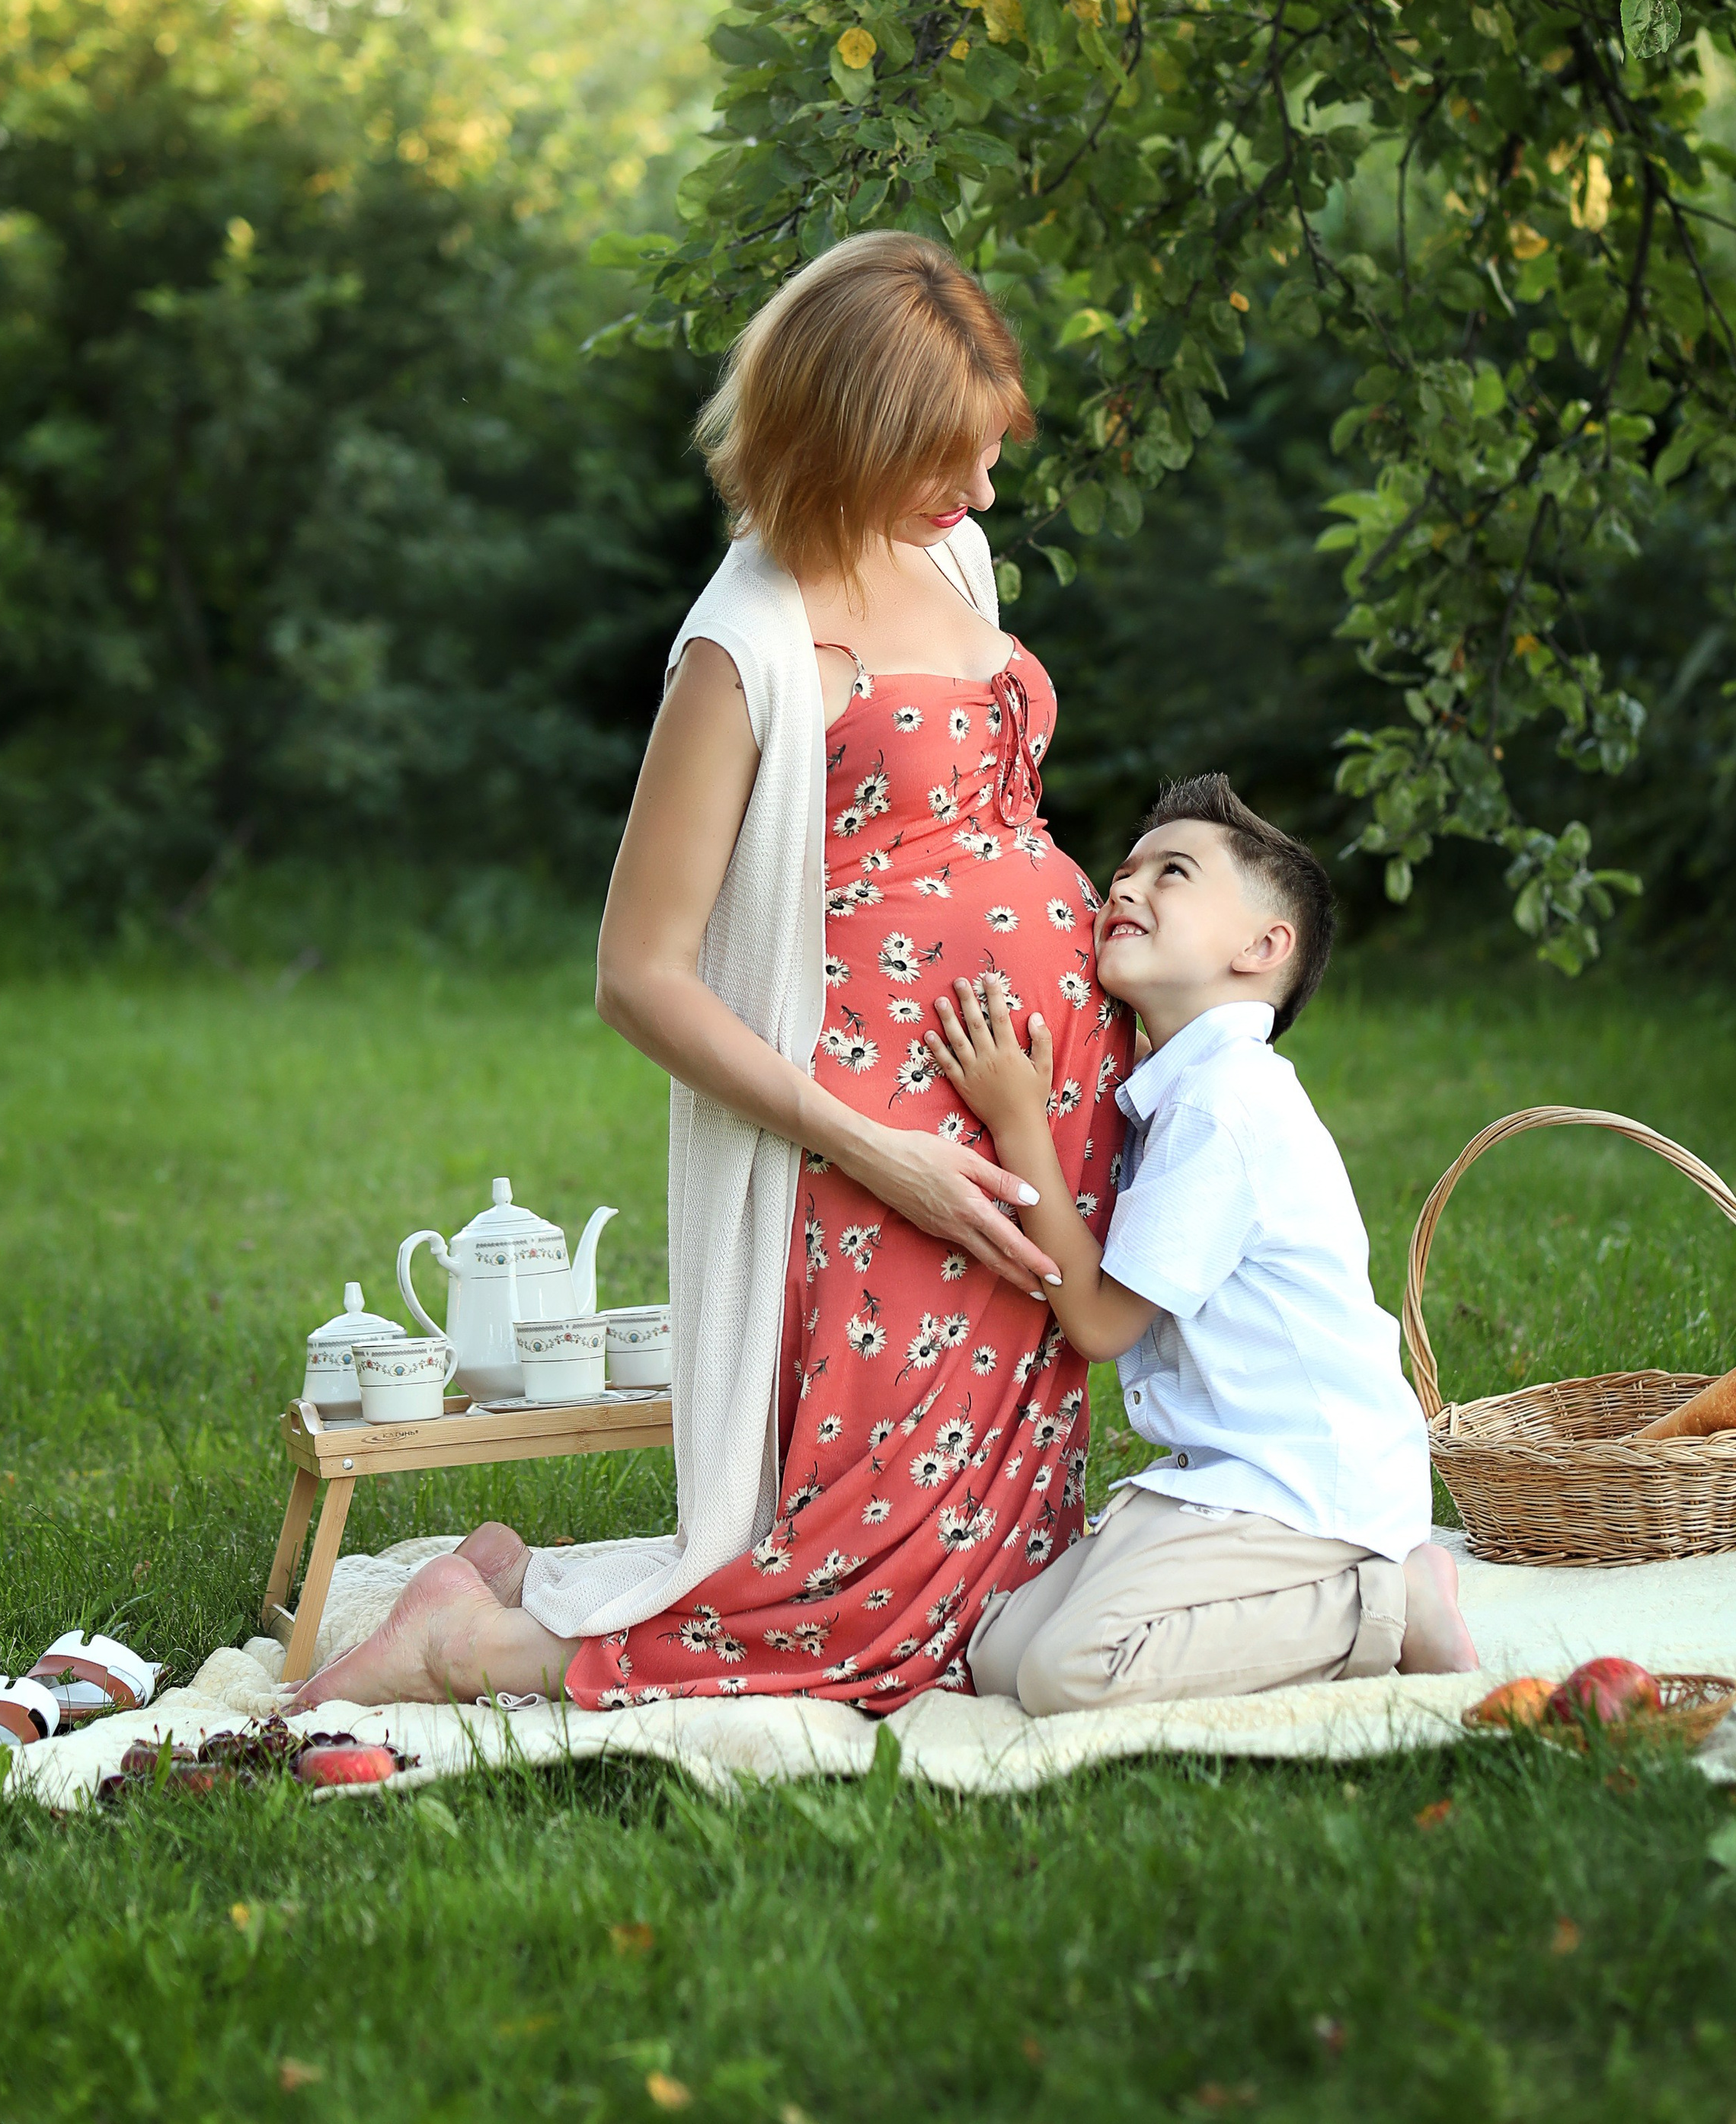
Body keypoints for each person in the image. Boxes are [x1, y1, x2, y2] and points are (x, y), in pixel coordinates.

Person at [288, 232, 1132, 1715]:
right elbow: (638, 973)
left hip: (1013, 1119)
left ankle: (505, 1583)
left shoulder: (949, 550)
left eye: (988, 456)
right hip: (879, 1152)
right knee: (869, 1611)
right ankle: (467, 1645)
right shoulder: (741, 650)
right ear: (845, 439)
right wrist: (879, 1151)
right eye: (946, 461)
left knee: (989, 1585)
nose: (984, 494)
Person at [932, 773, 1479, 1716]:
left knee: (1069, 1671)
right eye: (1125, 869)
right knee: (999, 1653)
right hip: (1220, 1476)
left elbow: (1100, 1323)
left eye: (1172, 872)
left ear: (1262, 947)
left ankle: (1388, 1594)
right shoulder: (1182, 1086)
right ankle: (1343, 1583)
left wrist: (1019, 1120)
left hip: (1302, 1484)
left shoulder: (1227, 1102)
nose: (1125, 885)